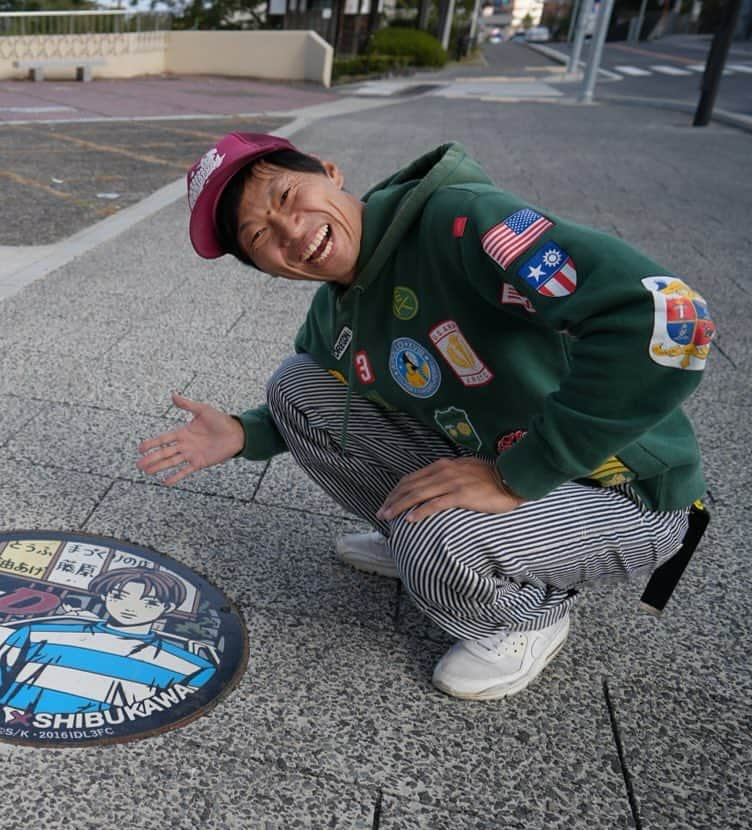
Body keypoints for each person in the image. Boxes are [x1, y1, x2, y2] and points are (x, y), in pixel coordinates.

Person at [137, 132, 713, 701]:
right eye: (260, 233)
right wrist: (244, 433)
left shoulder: (462, 222)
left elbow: (664, 314)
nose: (291, 230)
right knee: (296, 387)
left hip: (628, 492)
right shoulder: (334, 310)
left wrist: (518, 473)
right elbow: (314, 404)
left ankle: (524, 617)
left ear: (330, 171)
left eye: (287, 196)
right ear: (261, 265)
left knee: (431, 534)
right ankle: (431, 548)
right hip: (502, 459)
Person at [0, 566, 216, 714]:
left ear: (167, 608)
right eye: (119, 597)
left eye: (148, 602)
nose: (129, 608)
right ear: (105, 597)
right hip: (16, 716)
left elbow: (167, 711)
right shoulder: (40, 634)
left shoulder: (187, 666)